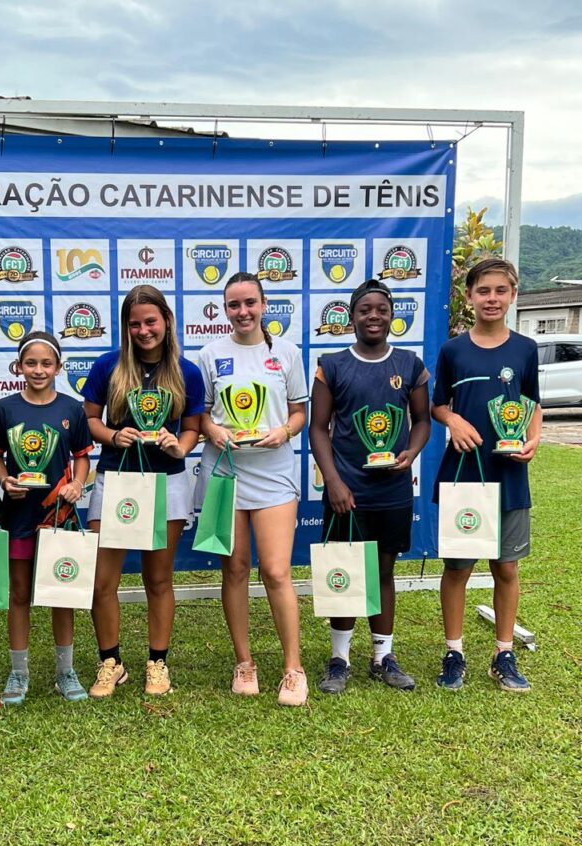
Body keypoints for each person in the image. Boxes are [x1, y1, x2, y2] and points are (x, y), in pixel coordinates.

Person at [309, 278, 431, 694]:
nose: (373, 316)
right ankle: (339, 658)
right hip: (347, 490)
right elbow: (318, 429)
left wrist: (411, 454)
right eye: (365, 310)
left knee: (383, 569)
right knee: (345, 570)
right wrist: (333, 482)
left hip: (392, 489)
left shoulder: (410, 364)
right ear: (351, 317)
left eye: (381, 309)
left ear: (392, 314)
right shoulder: (333, 363)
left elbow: (423, 421)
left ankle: (383, 656)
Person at [82, 285, 204, 698]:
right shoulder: (107, 367)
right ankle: (110, 663)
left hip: (167, 482)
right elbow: (90, 423)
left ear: (166, 321)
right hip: (116, 480)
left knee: (158, 579)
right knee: (103, 581)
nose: (143, 330)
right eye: (134, 324)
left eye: (150, 321)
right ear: (125, 327)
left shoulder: (186, 372)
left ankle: (157, 662)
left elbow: (192, 428)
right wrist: (114, 436)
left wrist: (181, 446)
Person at [195, 271, 309, 706]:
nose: (242, 312)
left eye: (249, 303)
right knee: (235, 569)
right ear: (225, 310)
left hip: (274, 472)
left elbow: (299, 412)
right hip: (225, 470)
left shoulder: (287, 353)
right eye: (233, 305)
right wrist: (213, 431)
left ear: (264, 306)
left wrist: (284, 431)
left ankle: (292, 668)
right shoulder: (209, 354)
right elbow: (201, 415)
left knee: (277, 571)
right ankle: (244, 663)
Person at [432, 258, 541, 692]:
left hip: (509, 476)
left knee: (507, 568)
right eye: (483, 291)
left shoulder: (526, 348)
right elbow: (438, 404)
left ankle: (504, 652)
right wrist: (452, 422)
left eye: (500, 291)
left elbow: (532, 403)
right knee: (457, 568)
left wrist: (532, 441)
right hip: (464, 476)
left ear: (513, 295)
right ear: (469, 296)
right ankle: (454, 652)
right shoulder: (453, 350)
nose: (491, 299)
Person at [0, 331, 92, 706]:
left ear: (59, 368)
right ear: (18, 367)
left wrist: (77, 485)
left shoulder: (71, 409)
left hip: (58, 516)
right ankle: (19, 672)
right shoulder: (4, 409)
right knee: (19, 594)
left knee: (60, 592)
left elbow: (82, 456)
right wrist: (4, 481)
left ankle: (65, 671)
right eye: (30, 363)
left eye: (46, 363)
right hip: (18, 513)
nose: (38, 370)